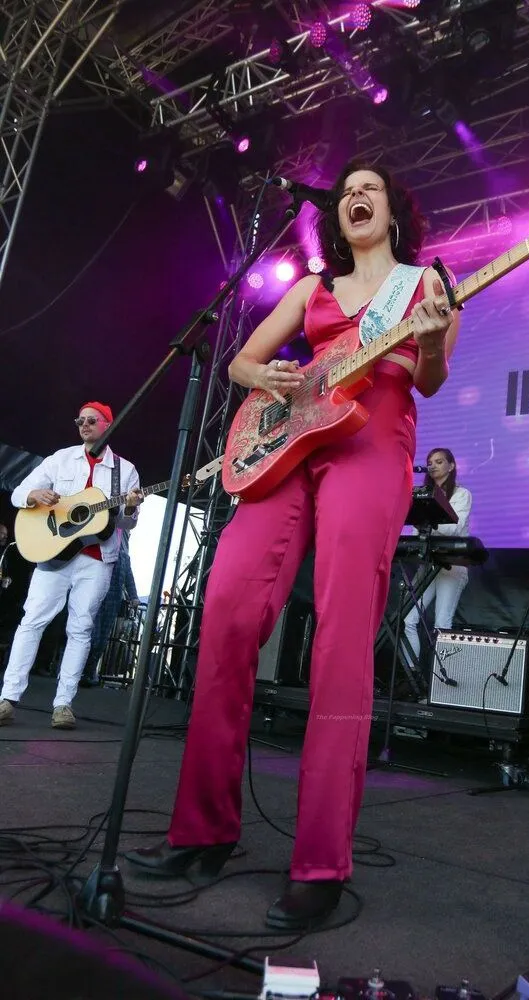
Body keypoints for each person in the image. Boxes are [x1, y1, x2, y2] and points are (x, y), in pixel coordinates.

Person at [125, 161, 460, 929]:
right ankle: (202, 831)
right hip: (290, 442)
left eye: (370, 188)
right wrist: (270, 378)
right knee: (226, 614)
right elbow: (240, 362)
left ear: (394, 212)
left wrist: (433, 343)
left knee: (341, 642)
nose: (355, 196)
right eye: (346, 192)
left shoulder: (426, 285)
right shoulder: (311, 289)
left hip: (372, 441)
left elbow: (431, 380)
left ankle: (319, 863)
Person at [0, 403, 143, 729]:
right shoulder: (60, 459)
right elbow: (18, 494)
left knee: (80, 628)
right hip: (53, 553)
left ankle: (63, 705)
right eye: (80, 420)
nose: (84, 424)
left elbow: (127, 523)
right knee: (32, 621)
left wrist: (130, 508)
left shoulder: (125, 471)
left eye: (91, 420)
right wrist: (35, 495)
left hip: (97, 560)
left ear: (108, 425)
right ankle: (7, 698)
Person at [403, 448, 473, 679]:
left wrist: (427, 523)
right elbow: (416, 533)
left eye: (439, 461)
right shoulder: (423, 495)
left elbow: (454, 528)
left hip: (451, 565)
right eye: (430, 462)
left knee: (442, 623)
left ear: (451, 466)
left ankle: (441, 682)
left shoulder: (461, 494)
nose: (433, 466)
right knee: (407, 619)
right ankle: (412, 675)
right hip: (428, 563)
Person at [81, 530, 139, 686]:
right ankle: (79, 670)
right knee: (93, 636)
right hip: (96, 596)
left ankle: (89, 672)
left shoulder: (124, 557)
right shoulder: (100, 549)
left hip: (113, 600)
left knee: (102, 640)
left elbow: (129, 577)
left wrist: (133, 596)